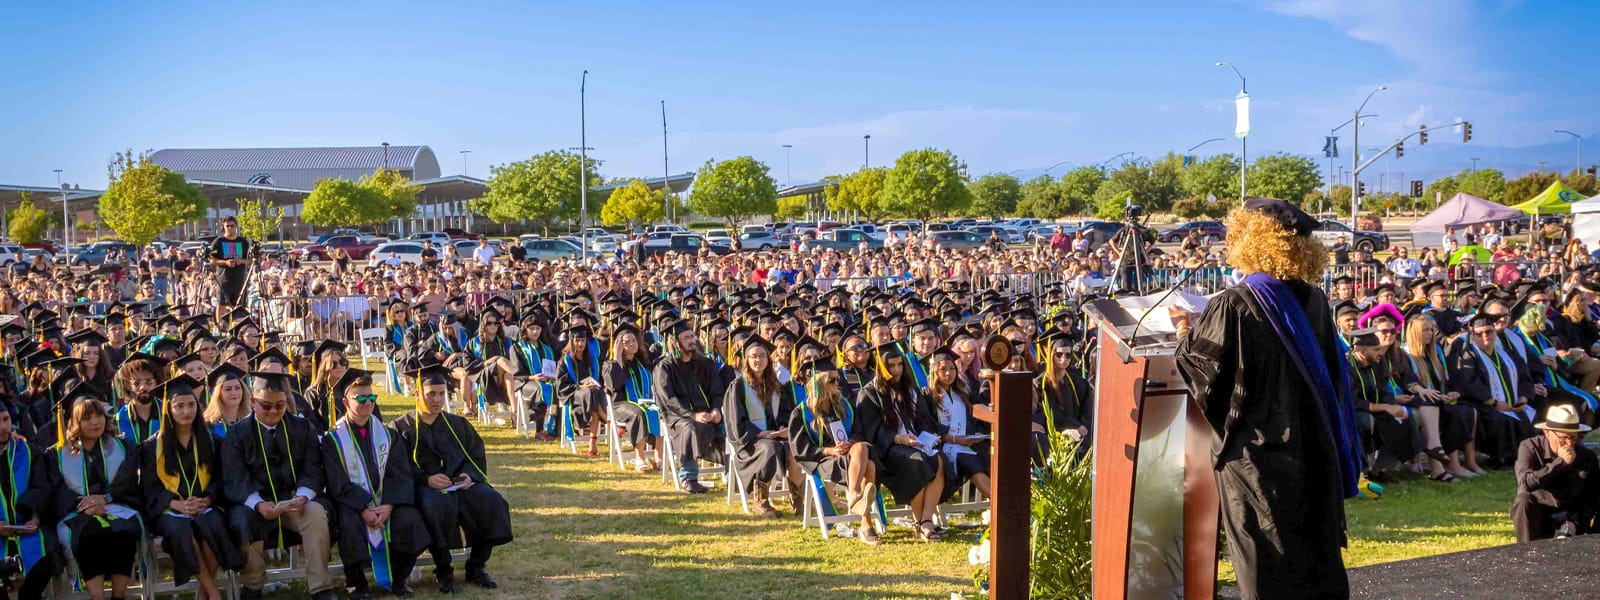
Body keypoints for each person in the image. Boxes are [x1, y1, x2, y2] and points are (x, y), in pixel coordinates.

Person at [1174, 199, 1362, 599]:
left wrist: (1181, 332)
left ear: (1250, 239)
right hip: (1313, 448)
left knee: (1266, 558)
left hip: (1259, 457)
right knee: (1312, 551)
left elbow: (1204, 374)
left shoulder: (1235, 304)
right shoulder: (1313, 301)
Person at [393, 365, 513, 593]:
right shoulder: (400, 428)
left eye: (442, 393)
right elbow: (398, 467)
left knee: (492, 502)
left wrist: (470, 474)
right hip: (423, 488)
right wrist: (426, 479)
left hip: (460, 485)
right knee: (435, 505)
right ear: (417, 393)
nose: (438, 400)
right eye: (431, 394)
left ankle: (476, 566)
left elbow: (475, 453)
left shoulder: (457, 424)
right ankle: (443, 569)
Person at [220, 371, 336, 600]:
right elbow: (234, 478)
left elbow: (312, 468)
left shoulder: (302, 428)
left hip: (294, 501)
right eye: (266, 405)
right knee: (241, 520)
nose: (273, 411)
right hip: (253, 504)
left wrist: (302, 497)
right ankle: (253, 585)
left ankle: (321, 586)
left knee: (315, 513)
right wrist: (258, 504)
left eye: (280, 405)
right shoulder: (236, 433)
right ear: (252, 402)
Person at [320, 369, 430, 599]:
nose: (368, 403)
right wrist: (363, 509)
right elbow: (335, 480)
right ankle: (356, 583)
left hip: (385, 502)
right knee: (348, 522)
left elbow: (400, 474)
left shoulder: (387, 435)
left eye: (372, 397)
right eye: (361, 398)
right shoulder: (333, 439)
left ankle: (399, 580)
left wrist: (389, 505)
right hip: (352, 504)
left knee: (408, 519)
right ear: (345, 401)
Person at [139, 375, 242, 600]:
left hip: (204, 506)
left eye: (191, 405)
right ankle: (213, 593)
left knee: (213, 524)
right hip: (170, 510)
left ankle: (203, 594)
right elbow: (149, 487)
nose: (186, 411)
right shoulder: (151, 447)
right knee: (181, 530)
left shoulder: (211, 440)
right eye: (179, 406)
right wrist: (176, 503)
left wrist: (206, 500)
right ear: (168, 409)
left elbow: (220, 478)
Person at [49, 386, 142, 600]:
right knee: (89, 535)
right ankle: (97, 597)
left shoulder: (123, 446)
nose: (95, 422)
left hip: (117, 507)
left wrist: (106, 498)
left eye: (99, 415)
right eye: (87, 418)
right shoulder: (57, 454)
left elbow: (127, 482)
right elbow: (57, 489)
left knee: (124, 533)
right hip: (78, 512)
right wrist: (86, 505)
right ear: (74, 422)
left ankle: (119, 596)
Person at [855, 343, 948, 542]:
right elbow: (872, 430)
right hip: (889, 450)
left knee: (940, 460)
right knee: (918, 461)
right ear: (882, 368)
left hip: (915, 443)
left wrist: (931, 436)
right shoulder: (869, 394)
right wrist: (897, 438)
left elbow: (923, 419)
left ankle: (926, 520)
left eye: (900, 365)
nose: (897, 371)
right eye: (892, 366)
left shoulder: (910, 389)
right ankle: (918, 521)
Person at [789, 365, 879, 543]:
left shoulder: (844, 405)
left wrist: (850, 443)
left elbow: (859, 432)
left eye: (838, 379)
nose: (837, 383)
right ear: (817, 383)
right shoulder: (802, 412)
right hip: (823, 460)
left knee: (861, 447)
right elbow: (800, 449)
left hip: (850, 455)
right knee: (869, 466)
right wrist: (829, 450)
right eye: (831, 380)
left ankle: (853, 494)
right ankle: (866, 523)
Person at [722, 336, 797, 518]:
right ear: (746, 360)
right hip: (750, 443)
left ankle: (798, 498)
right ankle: (760, 501)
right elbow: (735, 421)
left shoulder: (777, 384)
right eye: (753, 356)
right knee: (770, 448)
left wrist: (783, 428)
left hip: (775, 437)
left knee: (796, 446)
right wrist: (761, 433)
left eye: (762, 356)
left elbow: (787, 412)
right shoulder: (737, 386)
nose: (758, 360)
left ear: (768, 359)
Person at [653, 319, 726, 493]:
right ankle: (689, 476)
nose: (692, 340)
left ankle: (732, 473)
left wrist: (716, 410)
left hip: (707, 414)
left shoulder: (705, 364)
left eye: (692, 336)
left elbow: (717, 391)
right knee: (690, 427)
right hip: (678, 416)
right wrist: (693, 415)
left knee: (730, 426)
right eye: (686, 337)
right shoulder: (664, 367)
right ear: (675, 342)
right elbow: (669, 399)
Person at [1511, 404, 1600, 542]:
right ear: (1547, 432)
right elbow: (1525, 482)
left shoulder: (1587, 457)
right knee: (1523, 501)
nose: (1569, 444)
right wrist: (1559, 463)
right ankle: (1525, 553)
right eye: (1563, 438)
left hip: (1571, 516)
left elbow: (1593, 495)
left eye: (1573, 438)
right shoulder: (1530, 447)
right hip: (1540, 513)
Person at [0, 404, 62, 600]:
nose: (3, 427)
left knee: (46, 554)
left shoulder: (29, 451)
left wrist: (35, 518)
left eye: (5, 420)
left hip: (28, 527)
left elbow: (43, 487)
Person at [601, 325, 661, 472]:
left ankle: (659, 457)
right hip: (620, 405)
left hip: (645, 402)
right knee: (638, 414)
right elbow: (614, 385)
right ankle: (640, 458)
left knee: (660, 411)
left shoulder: (643, 362)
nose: (631, 344)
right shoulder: (609, 364)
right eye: (626, 342)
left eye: (634, 340)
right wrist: (617, 357)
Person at [557, 324, 608, 456]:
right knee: (591, 393)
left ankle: (592, 444)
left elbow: (602, 381)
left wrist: (594, 383)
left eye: (583, 340)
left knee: (594, 393)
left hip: (593, 397)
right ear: (572, 342)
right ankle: (607, 419)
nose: (580, 344)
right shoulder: (565, 361)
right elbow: (561, 386)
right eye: (577, 341)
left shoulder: (593, 360)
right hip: (574, 396)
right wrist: (580, 386)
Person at [207, 216, 255, 311]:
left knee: (239, 306)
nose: (230, 228)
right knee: (221, 304)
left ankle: (237, 324)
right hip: (224, 279)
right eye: (227, 226)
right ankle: (219, 325)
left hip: (239, 278)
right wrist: (225, 262)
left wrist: (241, 261)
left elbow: (250, 260)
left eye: (232, 226)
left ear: (236, 226)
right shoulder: (219, 242)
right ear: (223, 227)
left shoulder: (243, 242)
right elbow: (212, 260)